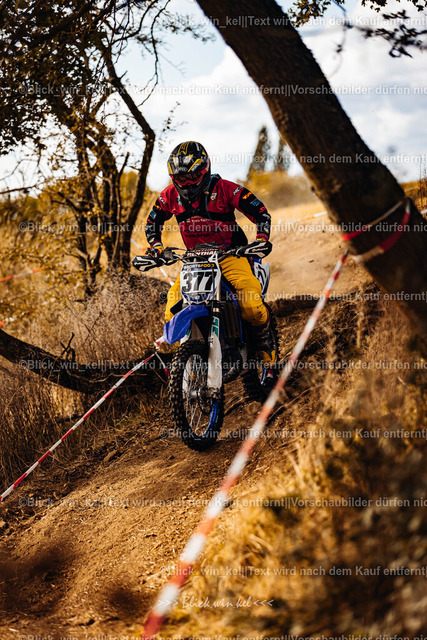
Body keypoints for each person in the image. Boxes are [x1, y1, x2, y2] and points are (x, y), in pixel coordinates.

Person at [145, 140, 276, 367]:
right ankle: (193, 356)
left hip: (231, 255)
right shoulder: (169, 195)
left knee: (251, 305)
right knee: (171, 310)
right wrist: (156, 248)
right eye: (180, 178)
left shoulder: (225, 188)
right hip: (194, 261)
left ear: (204, 169)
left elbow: (260, 212)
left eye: (192, 176)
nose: (186, 183)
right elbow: (152, 223)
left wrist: (261, 239)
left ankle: (264, 339)